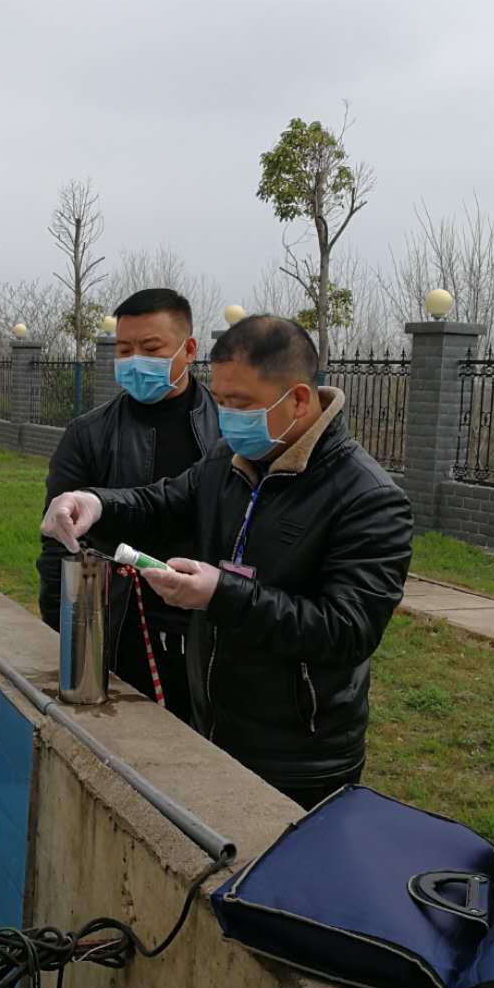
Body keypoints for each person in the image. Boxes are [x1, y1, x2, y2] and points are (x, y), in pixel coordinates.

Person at [40, 314, 413, 809]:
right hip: (211, 724)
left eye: (242, 405)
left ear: (299, 399)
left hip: (299, 756)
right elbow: (162, 500)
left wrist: (223, 595)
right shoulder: (227, 462)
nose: (229, 417)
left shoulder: (366, 498)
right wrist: (96, 503)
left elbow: (346, 630)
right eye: (219, 401)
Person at [37, 288, 219, 723]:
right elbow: (56, 544)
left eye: (151, 348)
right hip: (121, 622)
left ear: (188, 349)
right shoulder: (88, 434)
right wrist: (62, 626)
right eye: (124, 349)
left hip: (206, 620)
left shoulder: (226, 431)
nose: (136, 359)